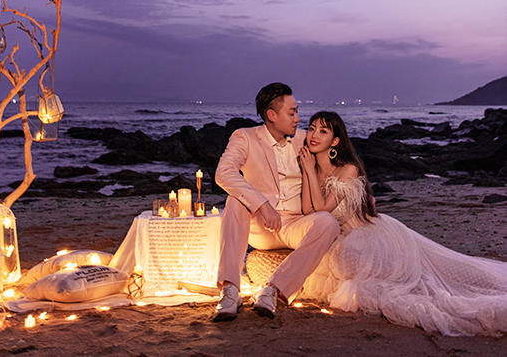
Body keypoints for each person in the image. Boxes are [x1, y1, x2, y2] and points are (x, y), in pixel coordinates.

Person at [297, 111, 507, 336]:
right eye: (312, 128)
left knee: (440, 278)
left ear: (335, 141)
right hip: (342, 239)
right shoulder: (314, 169)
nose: (314, 135)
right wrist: (309, 172)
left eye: (323, 131)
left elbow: (322, 209)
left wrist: (308, 169)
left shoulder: (348, 169)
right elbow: (308, 210)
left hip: (371, 237)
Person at [213, 83, 340, 321]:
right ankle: (230, 290)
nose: (297, 119)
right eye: (292, 113)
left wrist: (356, 192)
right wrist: (262, 205)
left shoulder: (305, 139)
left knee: (327, 222)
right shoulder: (245, 137)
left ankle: (273, 291)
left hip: (295, 224)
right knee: (234, 200)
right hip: (261, 226)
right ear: (272, 115)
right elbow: (223, 173)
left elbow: (336, 165)